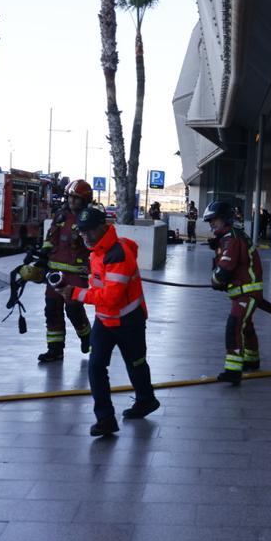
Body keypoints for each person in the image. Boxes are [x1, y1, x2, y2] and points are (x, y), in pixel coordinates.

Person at [70, 207, 160, 436]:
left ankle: (146, 400)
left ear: (103, 226)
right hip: (105, 320)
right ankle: (106, 419)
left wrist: (75, 293)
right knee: (96, 367)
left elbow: (111, 297)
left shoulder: (118, 254)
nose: (86, 236)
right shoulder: (97, 252)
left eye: (89, 231)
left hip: (129, 321)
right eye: (82, 232)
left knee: (136, 363)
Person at [203, 201, 263, 385]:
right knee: (246, 326)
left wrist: (216, 280)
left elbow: (225, 268)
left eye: (214, 220)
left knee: (234, 326)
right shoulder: (231, 237)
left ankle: (233, 370)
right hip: (244, 291)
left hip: (247, 292)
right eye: (210, 221)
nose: (212, 224)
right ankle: (252, 360)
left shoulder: (232, 239)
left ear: (225, 219)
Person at [37, 179, 93, 363]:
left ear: (85, 200)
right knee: (52, 310)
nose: (72, 201)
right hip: (55, 275)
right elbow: (50, 240)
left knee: (73, 310)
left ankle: (87, 338)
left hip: (77, 275)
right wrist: (42, 257)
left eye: (76, 198)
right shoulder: (60, 216)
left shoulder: (90, 219)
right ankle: (55, 350)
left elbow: (95, 247)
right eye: (70, 197)